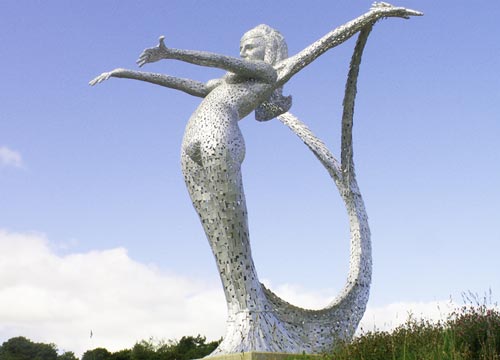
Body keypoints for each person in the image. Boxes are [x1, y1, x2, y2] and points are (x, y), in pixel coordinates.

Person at [90, 3, 421, 354]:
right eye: (241, 47)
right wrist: (127, 73)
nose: (242, 52)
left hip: (220, 136)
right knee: (220, 240)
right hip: (189, 145)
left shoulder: (269, 73)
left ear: (268, 49)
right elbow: (191, 85)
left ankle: (251, 324)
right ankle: (241, 317)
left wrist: (370, 16)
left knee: (233, 235)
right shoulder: (225, 83)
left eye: (250, 46)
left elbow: (322, 44)